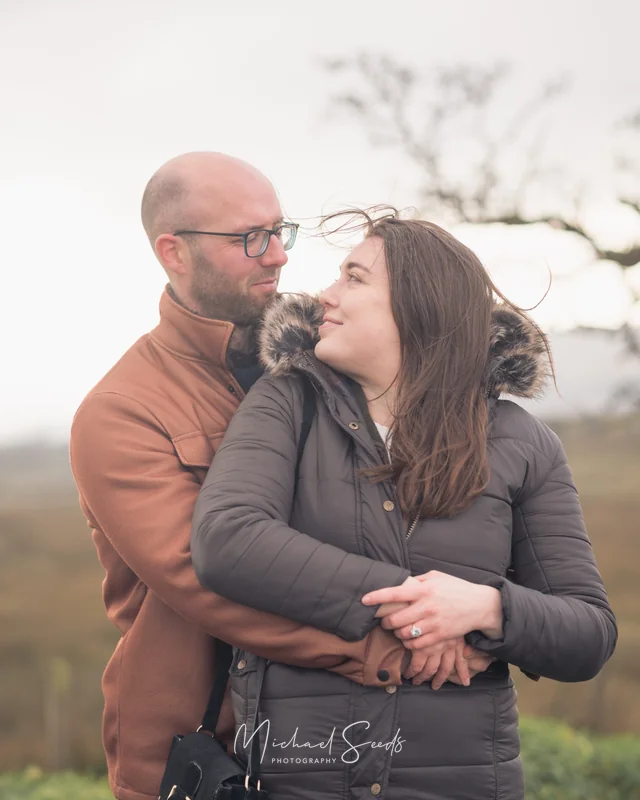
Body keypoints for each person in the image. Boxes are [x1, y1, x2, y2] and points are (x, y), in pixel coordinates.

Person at [69, 160, 491, 800]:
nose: (277, 257)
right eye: (248, 238)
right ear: (173, 251)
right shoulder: (123, 410)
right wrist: (402, 644)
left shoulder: (326, 361)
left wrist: (488, 609)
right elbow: (205, 576)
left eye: (279, 231)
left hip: (340, 737)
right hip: (205, 748)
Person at [191, 211, 618, 800]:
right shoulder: (286, 403)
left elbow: (588, 634)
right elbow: (228, 540)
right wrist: (424, 610)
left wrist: (485, 608)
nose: (324, 296)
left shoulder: (525, 442)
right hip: (299, 782)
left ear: (418, 307)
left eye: (354, 278)